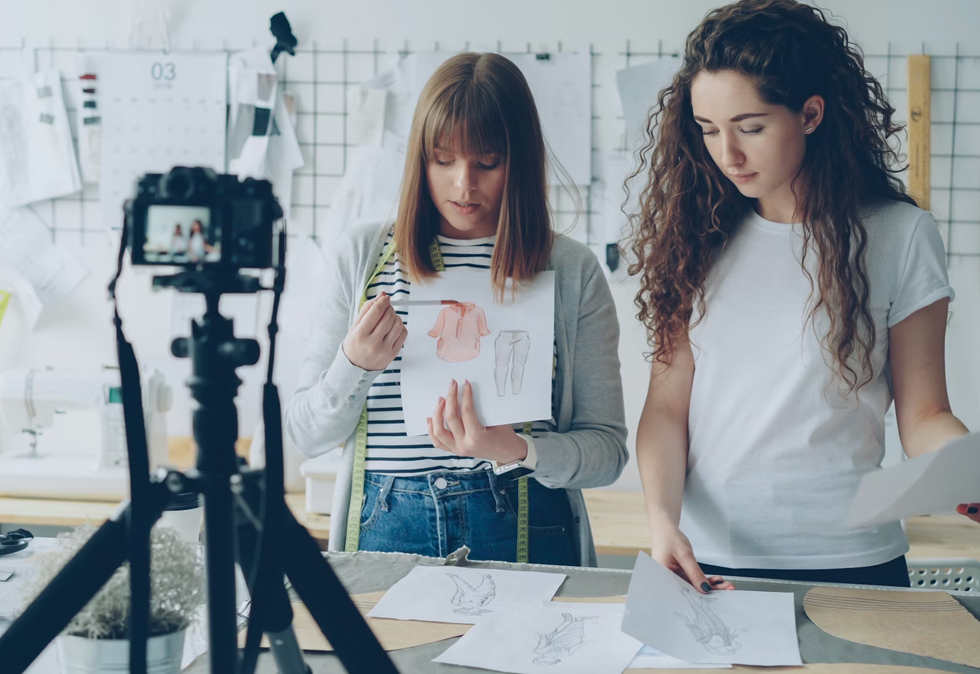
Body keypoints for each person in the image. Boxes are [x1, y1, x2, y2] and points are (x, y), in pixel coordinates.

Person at [627, 0, 977, 591]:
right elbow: (665, 410)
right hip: (710, 561)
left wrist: (970, 470)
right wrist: (662, 522)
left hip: (855, 564)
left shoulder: (900, 235)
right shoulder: (696, 235)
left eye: (751, 127)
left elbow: (924, 416)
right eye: (709, 130)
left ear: (811, 113)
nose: (727, 154)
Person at [286, 52, 627, 566]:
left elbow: (608, 453)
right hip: (387, 523)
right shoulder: (362, 256)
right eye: (443, 160)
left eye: (487, 162)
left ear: (521, 160)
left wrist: (518, 450)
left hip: (528, 522)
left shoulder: (572, 270)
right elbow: (307, 436)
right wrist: (351, 366)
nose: (464, 184)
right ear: (418, 158)